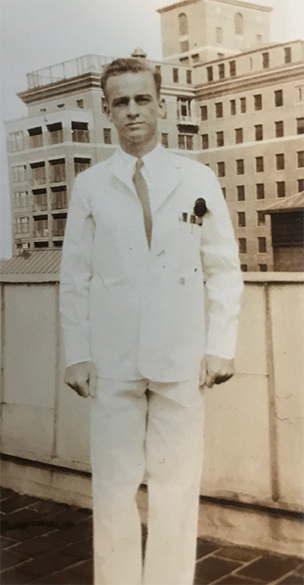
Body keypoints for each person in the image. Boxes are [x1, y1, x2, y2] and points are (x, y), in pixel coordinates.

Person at [60, 57, 243, 585]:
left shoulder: (196, 177)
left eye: (142, 99)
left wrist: (220, 346)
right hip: (112, 360)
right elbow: (74, 276)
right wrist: (77, 353)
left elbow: (224, 269)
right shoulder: (91, 186)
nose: (133, 111)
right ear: (108, 112)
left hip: (182, 357)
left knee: (177, 485)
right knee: (114, 488)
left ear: (161, 104)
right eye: (121, 102)